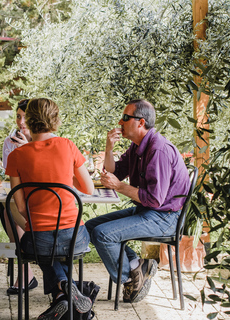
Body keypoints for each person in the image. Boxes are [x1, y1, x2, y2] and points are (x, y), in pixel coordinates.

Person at [85, 99, 190, 304]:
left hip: (165, 217)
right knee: (90, 227)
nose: (120, 121)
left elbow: (154, 199)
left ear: (141, 122)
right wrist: (109, 147)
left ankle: (132, 279)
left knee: (102, 234)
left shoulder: (158, 150)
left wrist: (119, 186)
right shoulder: (137, 147)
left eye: (125, 118)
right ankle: (136, 265)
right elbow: (116, 171)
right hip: (148, 211)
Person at [5, 98, 94, 320]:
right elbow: (89, 188)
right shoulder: (68, 146)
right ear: (55, 120)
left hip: (40, 239)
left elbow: (22, 207)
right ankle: (68, 291)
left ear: (28, 120)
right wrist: (62, 174)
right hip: (76, 236)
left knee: (35, 244)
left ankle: (63, 289)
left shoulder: (17, 155)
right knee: (52, 248)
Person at [1, 99, 38, 295]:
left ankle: (27, 271)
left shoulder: (46, 140)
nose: (21, 122)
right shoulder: (10, 141)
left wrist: (28, 150)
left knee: (11, 209)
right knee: (8, 209)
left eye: (25, 117)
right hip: (19, 195)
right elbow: (9, 174)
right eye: (18, 116)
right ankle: (26, 271)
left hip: (42, 198)